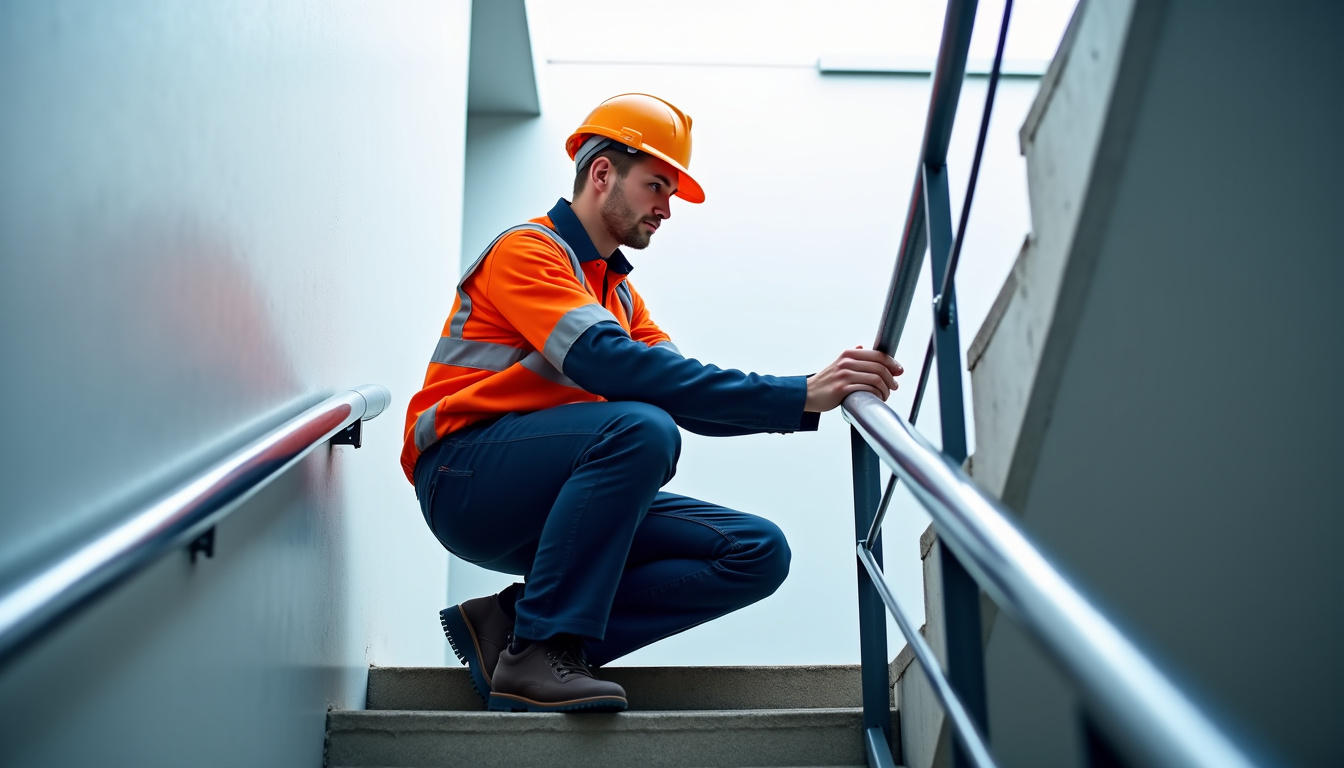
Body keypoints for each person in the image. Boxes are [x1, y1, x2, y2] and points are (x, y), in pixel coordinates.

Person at [401, 93, 903, 713]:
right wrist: (799, 393)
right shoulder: (528, 251)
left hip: (550, 499)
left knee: (755, 551)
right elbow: (608, 363)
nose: (666, 208)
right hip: (465, 479)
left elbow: (681, 390)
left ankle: (514, 626)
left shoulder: (619, 298)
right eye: (656, 186)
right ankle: (538, 651)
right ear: (602, 173)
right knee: (642, 428)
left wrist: (810, 395)